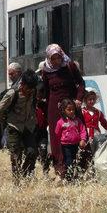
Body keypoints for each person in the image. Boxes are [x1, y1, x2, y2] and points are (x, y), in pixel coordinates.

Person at [40, 44, 85, 178]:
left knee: (77, 132)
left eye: (58, 57)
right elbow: (46, 92)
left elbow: (81, 83)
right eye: (53, 59)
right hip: (54, 108)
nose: (56, 61)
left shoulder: (69, 66)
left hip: (71, 106)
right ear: (49, 58)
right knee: (57, 138)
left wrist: (78, 99)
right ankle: (61, 169)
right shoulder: (46, 71)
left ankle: (79, 166)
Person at [0, 70, 39, 185]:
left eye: (32, 89)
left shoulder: (33, 91)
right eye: (28, 88)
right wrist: (4, 123)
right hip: (14, 127)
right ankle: (17, 181)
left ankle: (25, 174)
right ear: (22, 84)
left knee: (32, 152)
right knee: (16, 155)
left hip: (27, 127)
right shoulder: (12, 93)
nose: (29, 91)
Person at [54, 98, 87, 182]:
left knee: (76, 161)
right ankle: (69, 179)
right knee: (68, 161)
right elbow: (56, 134)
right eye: (69, 110)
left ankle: (74, 177)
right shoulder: (60, 122)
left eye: (73, 109)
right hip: (65, 146)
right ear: (63, 110)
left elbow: (83, 130)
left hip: (76, 145)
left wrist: (83, 139)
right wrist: (56, 147)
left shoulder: (77, 121)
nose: (71, 111)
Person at [79, 89, 107, 173]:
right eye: (90, 99)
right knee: (86, 154)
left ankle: (96, 172)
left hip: (96, 135)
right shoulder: (82, 111)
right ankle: (85, 172)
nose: (92, 101)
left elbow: (105, 123)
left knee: (97, 154)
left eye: (93, 99)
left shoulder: (98, 112)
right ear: (85, 100)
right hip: (86, 135)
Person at [35, 81, 50, 177]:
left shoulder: (45, 106)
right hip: (32, 133)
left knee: (44, 152)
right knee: (33, 154)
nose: (39, 98)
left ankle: (46, 173)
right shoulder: (30, 105)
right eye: (38, 95)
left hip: (42, 133)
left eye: (41, 96)